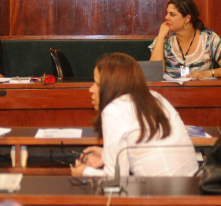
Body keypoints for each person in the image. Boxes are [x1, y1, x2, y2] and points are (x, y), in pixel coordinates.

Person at [70, 53, 199, 178]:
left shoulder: (113, 111)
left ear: (111, 86)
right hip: (193, 183)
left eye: (97, 84)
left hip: (162, 190)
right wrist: (106, 155)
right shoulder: (156, 97)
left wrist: (84, 172)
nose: (91, 89)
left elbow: (115, 179)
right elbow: (149, 151)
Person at [149, 0, 221, 80]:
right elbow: (153, 74)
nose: (166, 17)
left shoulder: (209, 38)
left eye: (172, 14)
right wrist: (161, 36)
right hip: (170, 91)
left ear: (187, 18)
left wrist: (206, 74)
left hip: (202, 90)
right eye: (167, 13)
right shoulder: (163, 40)